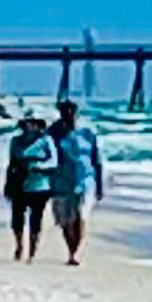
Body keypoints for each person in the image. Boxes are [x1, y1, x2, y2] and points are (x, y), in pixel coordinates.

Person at [42, 99, 106, 265]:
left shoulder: (87, 133)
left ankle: (74, 253)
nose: (69, 116)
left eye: (72, 112)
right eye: (65, 112)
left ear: (77, 114)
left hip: (84, 182)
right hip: (59, 183)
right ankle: (70, 248)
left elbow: (96, 161)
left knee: (80, 216)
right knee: (65, 221)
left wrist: (99, 185)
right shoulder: (52, 134)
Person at [3, 110, 61, 261]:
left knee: (36, 219)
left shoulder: (46, 140)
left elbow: (54, 162)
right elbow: (11, 163)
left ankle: (32, 251)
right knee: (17, 218)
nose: (31, 126)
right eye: (29, 122)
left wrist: (37, 166)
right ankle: (19, 246)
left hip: (40, 185)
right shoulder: (16, 141)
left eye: (34, 123)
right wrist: (8, 183)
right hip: (19, 184)